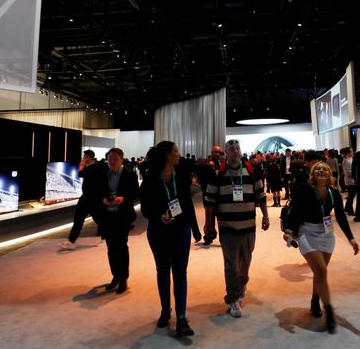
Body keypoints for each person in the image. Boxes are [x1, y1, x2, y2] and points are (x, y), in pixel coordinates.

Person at [284, 161, 358, 333]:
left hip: (326, 235)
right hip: (306, 233)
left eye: (324, 169)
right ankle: (329, 311)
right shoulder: (305, 190)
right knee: (322, 271)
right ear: (313, 174)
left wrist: (351, 239)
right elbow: (294, 211)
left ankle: (315, 299)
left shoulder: (334, 193)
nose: (321, 171)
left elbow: (340, 216)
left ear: (329, 174)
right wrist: (289, 230)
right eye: (318, 169)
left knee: (319, 272)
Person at [204, 139, 269, 318]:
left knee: (245, 261)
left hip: (249, 226)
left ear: (241, 151)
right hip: (227, 226)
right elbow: (209, 200)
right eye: (231, 148)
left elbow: (260, 195)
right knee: (231, 263)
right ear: (226, 152)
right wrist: (208, 223)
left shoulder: (251, 170)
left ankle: (242, 282)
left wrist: (265, 215)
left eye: (237, 147)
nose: (235, 150)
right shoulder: (218, 173)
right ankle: (233, 297)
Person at [140, 142, 196, 337]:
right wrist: (158, 216)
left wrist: (196, 230)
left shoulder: (181, 174)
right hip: (158, 231)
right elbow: (145, 208)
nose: (178, 154)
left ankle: (181, 317)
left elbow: (187, 203)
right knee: (163, 271)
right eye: (175, 151)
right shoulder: (150, 177)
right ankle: (166, 310)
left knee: (180, 272)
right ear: (166, 155)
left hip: (181, 229)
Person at [87, 148, 138, 293]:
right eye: (110, 158)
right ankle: (115, 275)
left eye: (115, 158)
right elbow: (96, 192)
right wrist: (103, 200)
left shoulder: (129, 174)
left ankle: (123, 278)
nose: (112, 161)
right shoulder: (103, 174)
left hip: (122, 216)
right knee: (111, 248)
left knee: (121, 246)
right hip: (107, 216)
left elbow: (135, 191)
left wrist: (124, 198)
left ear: (122, 159)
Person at [61, 149, 103, 250]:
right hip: (86, 198)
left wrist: (81, 165)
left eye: (85, 157)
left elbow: (80, 174)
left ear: (90, 158)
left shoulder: (94, 167)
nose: (83, 159)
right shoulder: (92, 167)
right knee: (79, 220)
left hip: (93, 199)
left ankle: (106, 237)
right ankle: (71, 241)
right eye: (84, 157)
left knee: (99, 219)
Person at [340, 148, 357, 214]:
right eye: (351, 151)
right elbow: (348, 172)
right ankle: (350, 210)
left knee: (351, 195)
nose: (352, 152)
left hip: (352, 180)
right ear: (347, 153)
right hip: (350, 181)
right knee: (351, 196)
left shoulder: (351, 159)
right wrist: (356, 173)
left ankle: (347, 208)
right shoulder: (345, 161)